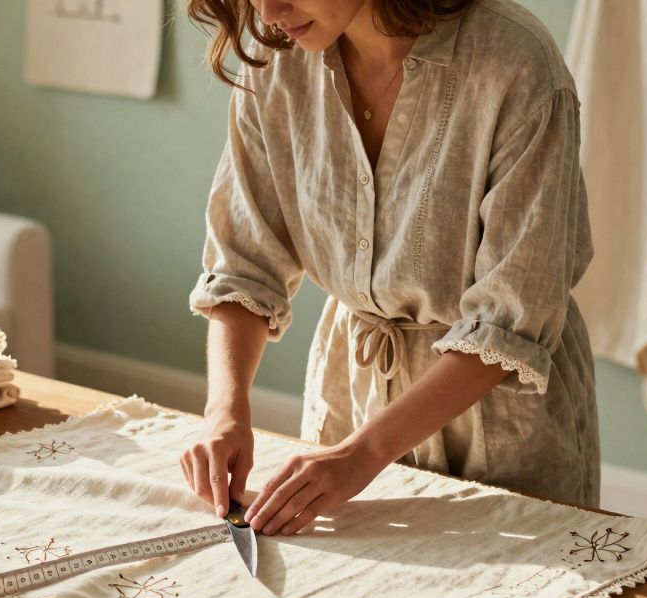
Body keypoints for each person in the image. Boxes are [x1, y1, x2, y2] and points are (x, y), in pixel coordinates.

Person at [179, 0, 600, 536]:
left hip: (499, 421)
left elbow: (509, 321)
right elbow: (244, 265)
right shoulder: (278, 58)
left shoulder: (514, 62)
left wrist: (361, 454)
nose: (268, 11)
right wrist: (224, 411)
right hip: (348, 401)